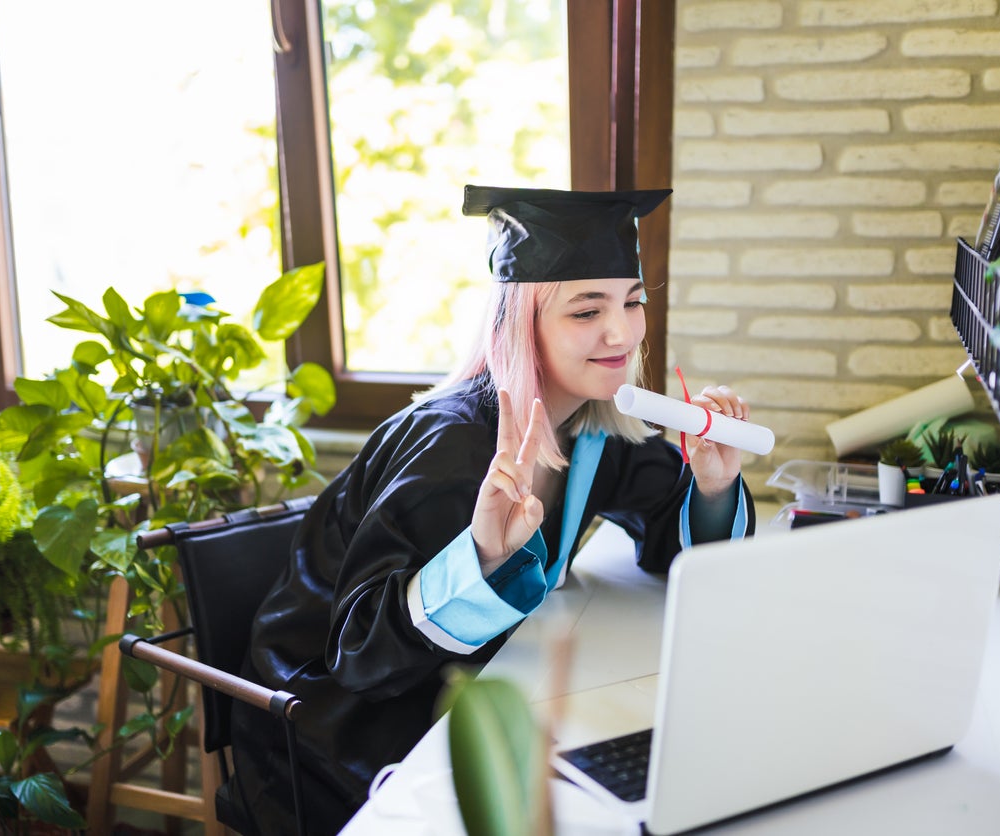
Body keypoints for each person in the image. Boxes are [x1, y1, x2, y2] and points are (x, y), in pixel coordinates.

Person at [229, 185, 757, 835]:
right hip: (336, 732)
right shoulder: (451, 451)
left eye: (633, 301)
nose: (621, 331)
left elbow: (663, 530)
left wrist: (710, 486)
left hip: (466, 685)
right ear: (520, 324)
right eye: (586, 311)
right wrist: (481, 555)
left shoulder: (591, 427)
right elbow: (359, 651)